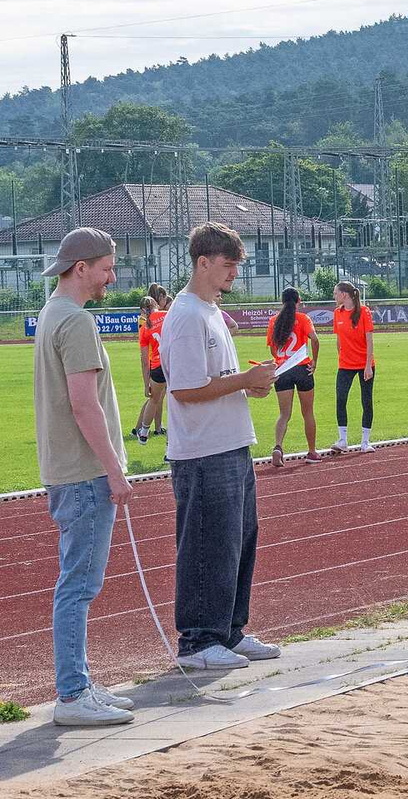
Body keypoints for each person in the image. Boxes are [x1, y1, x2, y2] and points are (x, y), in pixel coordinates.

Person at [162, 222, 281, 670]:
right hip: (202, 451)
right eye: (229, 265)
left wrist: (248, 387)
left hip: (229, 444)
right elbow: (187, 389)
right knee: (208, 544)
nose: (235, 273)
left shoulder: (209, 311)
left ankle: (228, 631)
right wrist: (245, 381)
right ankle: (197, 640)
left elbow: (211, 383)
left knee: (238, 541)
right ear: (203, 262)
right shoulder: (188, 314)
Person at [34, 228, 137, 726]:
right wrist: (115, 470)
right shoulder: (74, 322)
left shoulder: (54, 314)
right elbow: (83, 404)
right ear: (82, 268)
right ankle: (73, 694)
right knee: (78, 584)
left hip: (68, 471)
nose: (111, 278)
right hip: (83, 473)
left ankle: (80, 684)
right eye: (105, 268)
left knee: (78, 582)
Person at [266, 287, 321, 467]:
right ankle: (312, 452)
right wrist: (314, 361)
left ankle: (278, 447)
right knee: (308, 412)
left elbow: (273, 348)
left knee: (284, 414)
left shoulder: (274, 321)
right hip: (302, 368)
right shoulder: (303, 318)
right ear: (298, 300)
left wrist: (280, 360)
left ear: (282, 301)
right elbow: (315, 339)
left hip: (282, 370)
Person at [330, 280, 376, 453]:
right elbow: (338, 340)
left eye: (335, 293)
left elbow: (370, 341)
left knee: (367, 401)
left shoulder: (364, 311)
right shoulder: (337, 313)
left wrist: (368, 366)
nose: (334, 296)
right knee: (341, 399)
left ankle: (365, 441)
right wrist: (341, 357)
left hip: (364, 364)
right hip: (345, 365)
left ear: (344, 294)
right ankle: (342, 440)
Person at [134, 294, 167, 444]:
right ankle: (170, 445)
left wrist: (146, 383)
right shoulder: (167, 315)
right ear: (156, 304)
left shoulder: (144, 327)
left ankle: (144, 432)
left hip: (157, 366)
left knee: (154, 400)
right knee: (174, 403)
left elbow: (144, 361)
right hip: (173, 363)